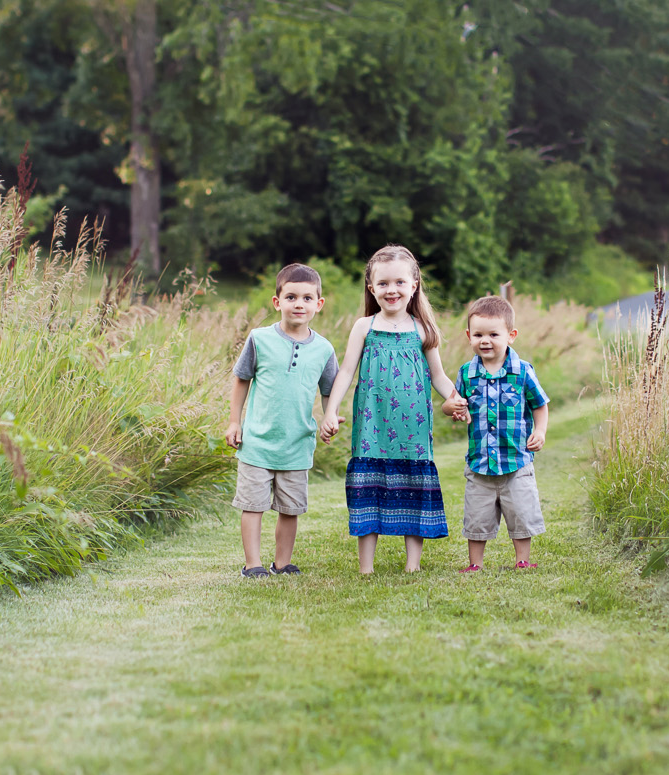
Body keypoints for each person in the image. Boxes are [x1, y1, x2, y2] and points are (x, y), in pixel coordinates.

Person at [321, 245, 468, 574]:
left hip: (413, 429)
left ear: (414, 285)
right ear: (372, 288)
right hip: (372, 423)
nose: (392, 290)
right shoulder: (364, 326)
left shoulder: (423, 329)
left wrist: (456, 398)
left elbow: (438, 376)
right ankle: (366, 568)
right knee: (369, 486)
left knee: (413, 486)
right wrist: (330, 411)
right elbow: (345, 372)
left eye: (400, 282)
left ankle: (412, 566)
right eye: (384, 284)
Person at [224, 263, 339, 580]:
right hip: (258, 441)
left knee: (291, 508)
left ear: (319, 304)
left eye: (306, 298)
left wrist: (330, 417)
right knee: (253, 505)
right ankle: (253, 564)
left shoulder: (324, 349)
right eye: (291, 297)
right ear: (277, 302)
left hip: (297, 444)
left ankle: (282, 563)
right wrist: (235, 422)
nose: (298, 304)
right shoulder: (259, 339)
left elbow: (330, 390)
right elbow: (240, 380)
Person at [449, 295, 548, 570]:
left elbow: (540, 404)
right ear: (469, 335)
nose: (485, 340)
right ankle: (475, 564)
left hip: (516, 460)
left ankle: (523, 560)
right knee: (476, 516)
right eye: (478, 334)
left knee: (521, 512)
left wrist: (540, 431)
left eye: (493, 334)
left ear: (511, 335)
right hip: (480, 462)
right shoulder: (467, 373)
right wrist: (456, 409)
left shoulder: (522, 372)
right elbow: (456, 404)